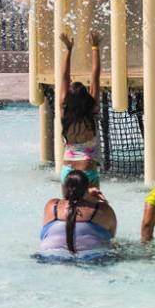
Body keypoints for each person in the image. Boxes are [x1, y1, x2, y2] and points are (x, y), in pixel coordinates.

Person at [38, 169, 116, 260]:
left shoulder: (52, 206)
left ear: (64, 187)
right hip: (93, 256)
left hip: (49, 255)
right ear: (87, 188)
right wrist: (101, 200)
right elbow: (111, 235)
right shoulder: (102, 209)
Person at [60, 30, 102, 190]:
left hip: (67, 167)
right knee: (95, 208)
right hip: (87, 166)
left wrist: (68, 49)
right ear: (86, 97)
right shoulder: (92, 109)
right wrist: (95, 47)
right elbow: (95, 76)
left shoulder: (64, 108)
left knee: (68, 209)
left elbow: (64, 77)